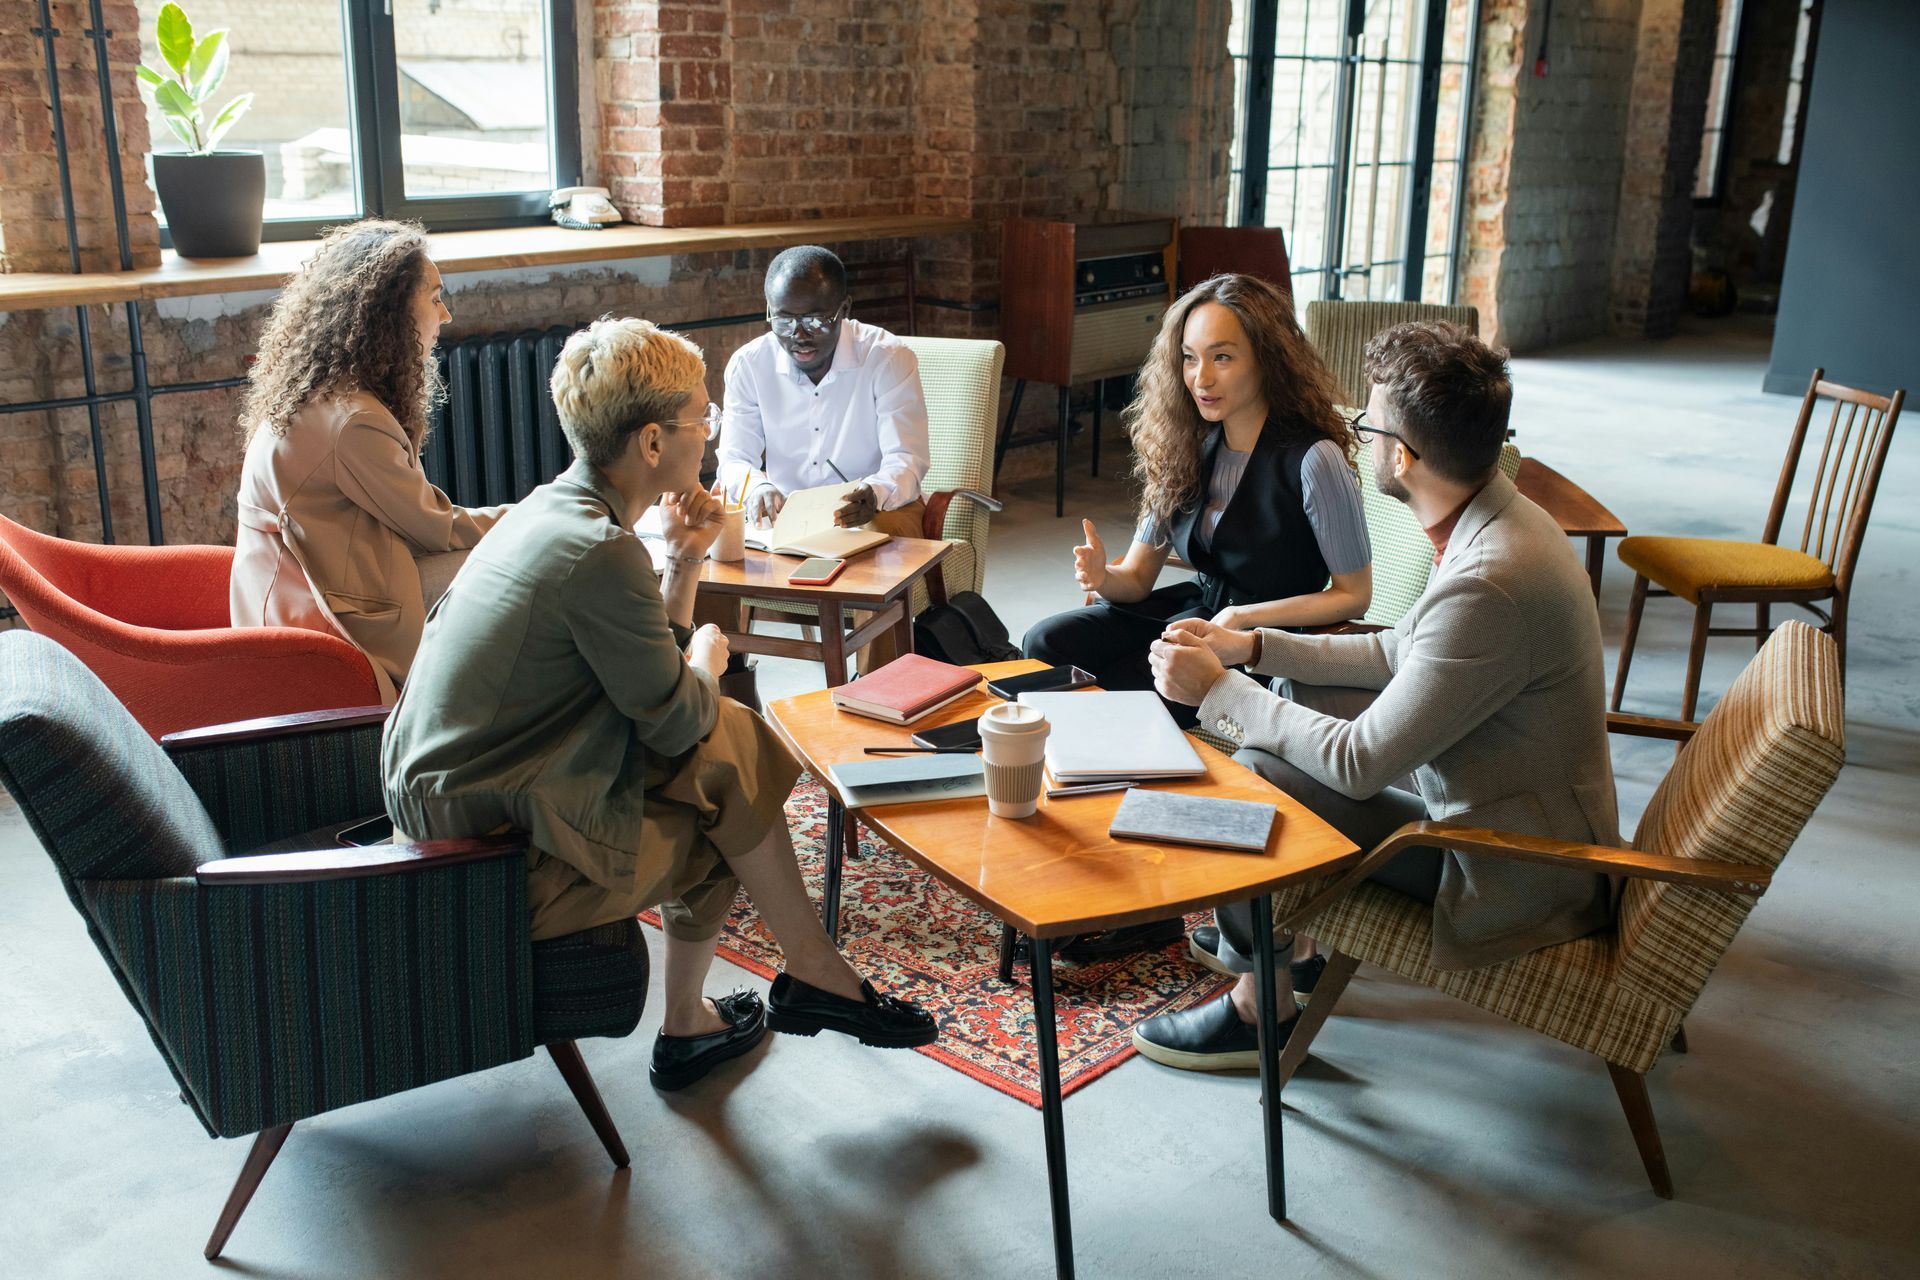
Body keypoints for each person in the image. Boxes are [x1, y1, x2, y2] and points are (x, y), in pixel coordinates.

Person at [382, 317, 937, 1093]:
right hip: (487, 854)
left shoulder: (552, 509)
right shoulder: (598, 550)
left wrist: (682, 562)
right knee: (728, 777)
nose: (709, 438)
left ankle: (741, 1004)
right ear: (651, 442)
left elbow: (642, 679)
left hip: (470, 802)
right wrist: (709, 661)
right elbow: (675, 715)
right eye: (700, 420)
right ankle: (771, 989)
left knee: (726, 763)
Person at [1129, 321, 1618, 1071]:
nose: (1360, 437)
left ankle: (1263, 1004)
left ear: (1403, 455)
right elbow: (1396, 649)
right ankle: (1265, 938)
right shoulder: (1501, 519)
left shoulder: (1490, 580)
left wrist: (1220, 689)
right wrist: (1252, 648)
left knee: (1254, 775)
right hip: (1508, 814)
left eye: (1370, 424)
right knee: (1296, 695)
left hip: (1507, 869)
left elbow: (1359, 764)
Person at [1023, 273, 1373, 728]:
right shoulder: (1185, 444)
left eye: (1221, 357)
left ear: (1268, 360)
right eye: (1189, 358)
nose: (1200, 378)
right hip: (1196, 611)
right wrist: (1102, 575)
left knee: (1121, 690)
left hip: (1267, 640)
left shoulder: (1314, 460)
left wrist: (1244, 617)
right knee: (1045, 644)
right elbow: (1136, 579)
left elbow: (1354, 595)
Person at [230, 219, 507, 702]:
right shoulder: (354, 422)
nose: (446, 314)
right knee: (522, 568)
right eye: (435, 297)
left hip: (287, 589)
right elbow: (435, 529)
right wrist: (540, 515)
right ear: (392, 312)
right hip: (324, 608)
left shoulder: (319, 390)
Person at [709, 245, 932, 688]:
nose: (799, 335)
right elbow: (734, 459)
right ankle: (723, 690)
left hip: (877, 510)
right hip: (784, 519)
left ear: (844, 309)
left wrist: (874, 493)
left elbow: (907, 460)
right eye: (783, 319)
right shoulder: (750, 365)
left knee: (880, 556)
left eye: (815, 319)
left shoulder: (887, 358)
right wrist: (757, 486)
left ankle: (874, 694)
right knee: (708, 541)